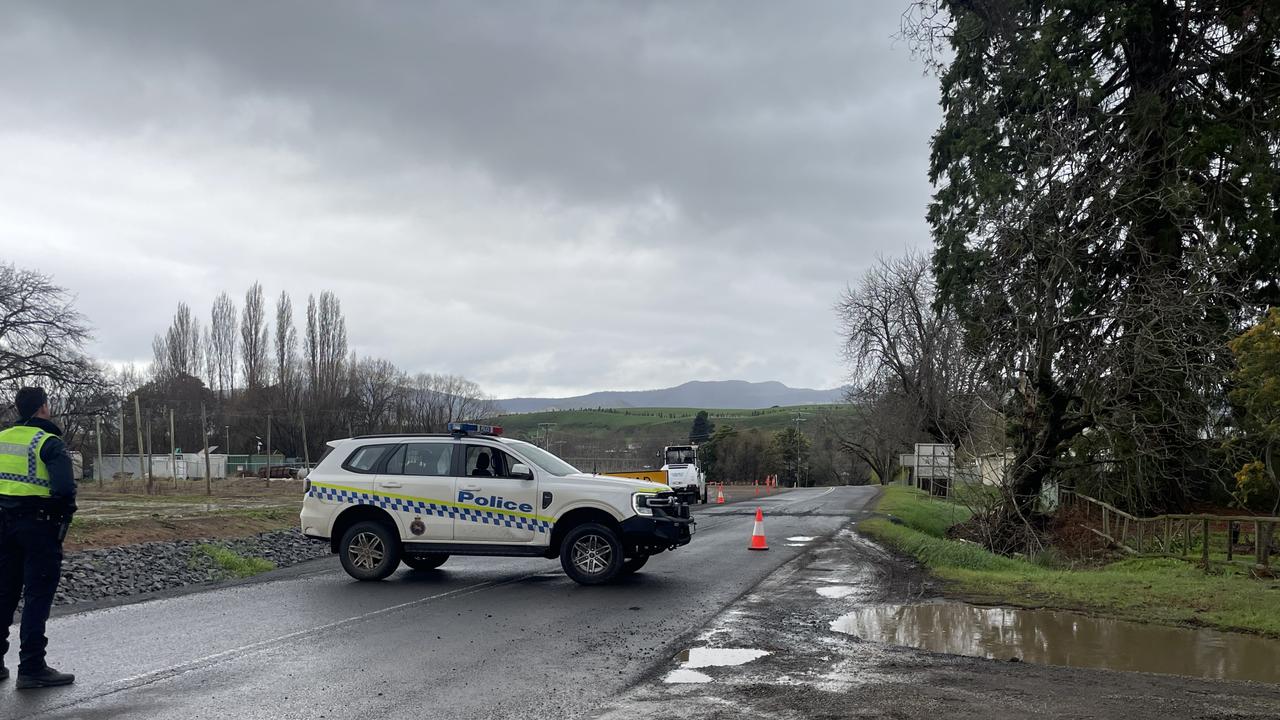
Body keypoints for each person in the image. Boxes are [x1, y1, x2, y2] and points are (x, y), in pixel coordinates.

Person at [0, 387, 76, 689]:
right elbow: (64, 489)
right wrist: (61, 519)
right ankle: (32, 666)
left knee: (4, 592)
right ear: (43, 407)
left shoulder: (2, 438)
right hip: (39, 527)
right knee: (37, 594)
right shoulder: (49, 443)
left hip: (2, 524)